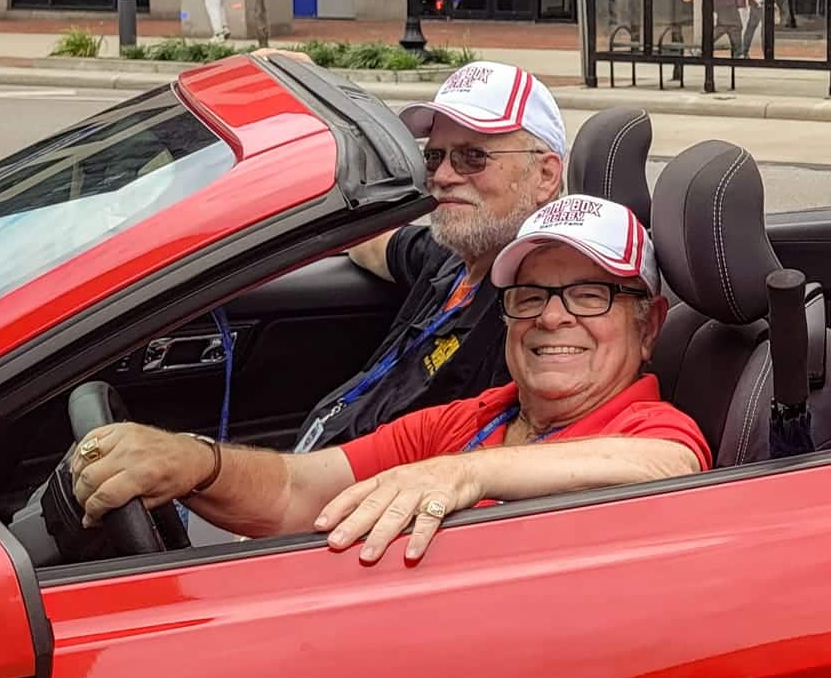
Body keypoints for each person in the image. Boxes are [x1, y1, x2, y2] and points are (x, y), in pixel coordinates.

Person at [68, 195, 709, 564]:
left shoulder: (647, 428)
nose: (552, 317)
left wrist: (464, 474)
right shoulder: (473, 417)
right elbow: (296, 490)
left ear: (648, 325)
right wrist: (195, 462)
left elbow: (670, 468)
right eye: (530, 295)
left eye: (590, 295)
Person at [297, 60, 569, 452]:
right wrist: (320, 95)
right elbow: (370, 244)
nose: (442, 176)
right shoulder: (450, 260)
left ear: (545, 176)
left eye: (472, 157)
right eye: (433, 157)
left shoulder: (543, 311)